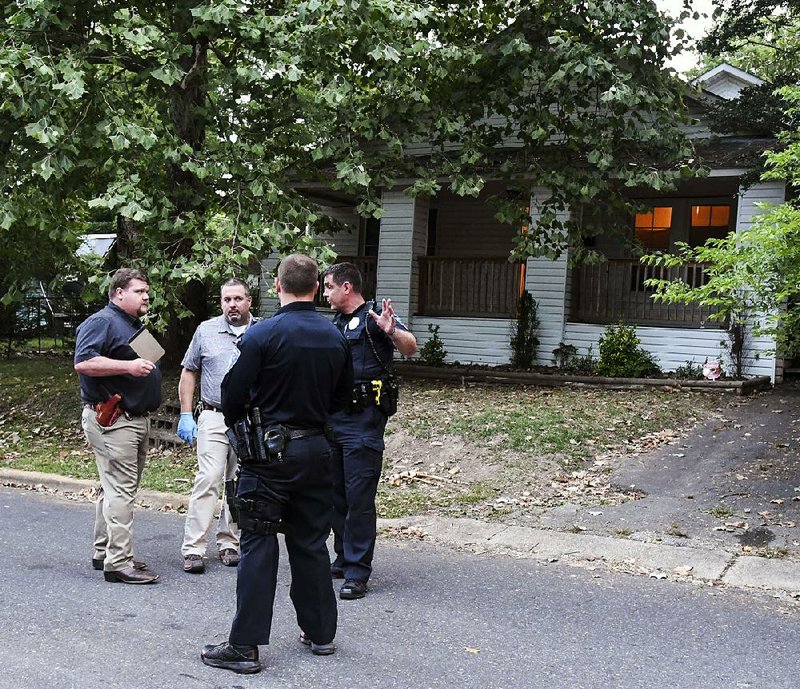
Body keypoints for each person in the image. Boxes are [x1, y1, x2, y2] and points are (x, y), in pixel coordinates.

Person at [201, 254, 353, 675]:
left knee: (257, 543)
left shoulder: (262, 335)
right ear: (316, 285)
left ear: (277, 285)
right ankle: (320, 633)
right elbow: (343, 399)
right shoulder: (335, 335)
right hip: (317, 451)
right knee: (309, 542)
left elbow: (231, 397)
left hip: (268, 456)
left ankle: (244, 646)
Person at [322, 262, 417, 600]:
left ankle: (357, 572)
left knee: (359, 497)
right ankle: (343, 556)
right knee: (336, 495)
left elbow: (410, 346)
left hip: (364, 423)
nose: (325, 293)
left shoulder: (376, 317)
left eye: (330, 286)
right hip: (334, 420)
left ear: (347, 287)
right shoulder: (334, 323)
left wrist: (392, 331)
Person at [74, 268, 162, 585]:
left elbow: (152, 366)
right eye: (139, 291)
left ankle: (104, 552)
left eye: (146, 291)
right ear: (118, 293)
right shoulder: (102, 322)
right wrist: (128, 366)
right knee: (121, 491)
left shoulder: (133, 326)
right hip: (115, 420)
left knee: (113, 489)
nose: (146, 296)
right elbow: (83, 361)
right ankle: (119, 563)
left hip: (136, 419)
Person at [176, 278, 257, 574]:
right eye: (226, 300)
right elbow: (188, 373)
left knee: (238, 481)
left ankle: (229, 543)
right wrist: (187, 414)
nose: (232, 305)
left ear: (249, 301)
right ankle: (193, 548)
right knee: (208, 477)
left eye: (237, 299)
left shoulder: (261, 331)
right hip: (214, 413)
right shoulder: (206, 331)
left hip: (249, 418)